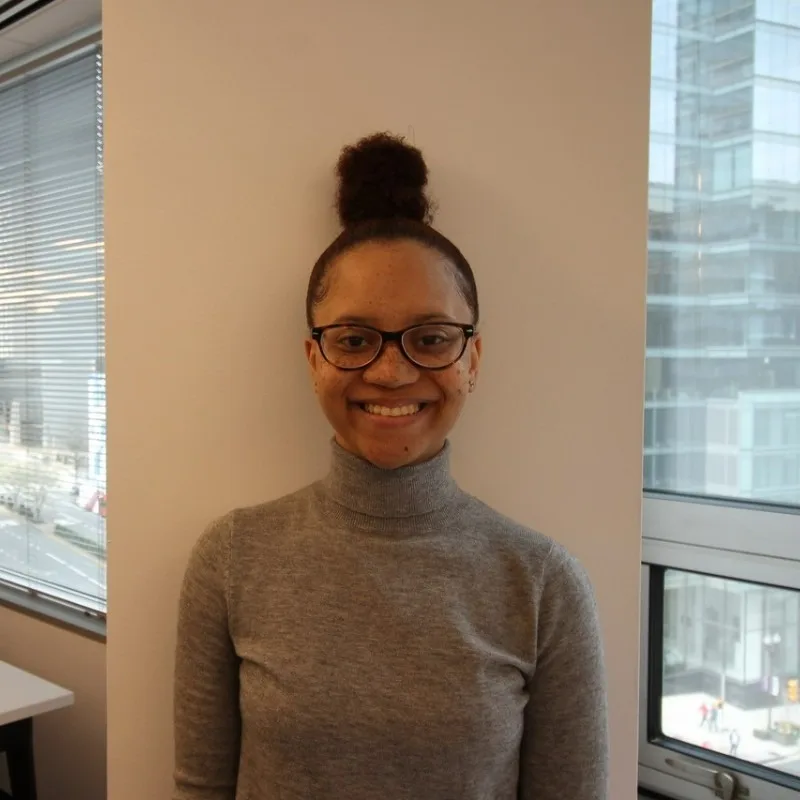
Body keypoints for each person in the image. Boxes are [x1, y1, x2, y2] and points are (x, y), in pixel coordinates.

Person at [173, 133, 609, 800]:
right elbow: (198, 789)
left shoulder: (543, 583)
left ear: (472, 360)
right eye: (354, 339)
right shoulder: (232, 559)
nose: (390, 371)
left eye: (431, 338)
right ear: (314, 358)